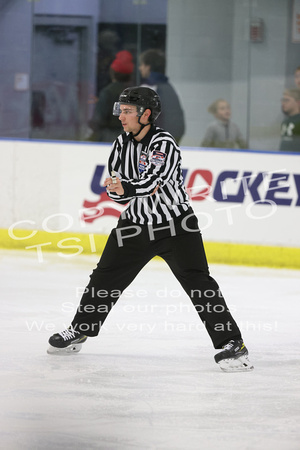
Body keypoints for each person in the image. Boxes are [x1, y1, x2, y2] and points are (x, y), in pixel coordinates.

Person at [47, 86, 253, 372]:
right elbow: (120, 189)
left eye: (128, 111)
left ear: (146, 114)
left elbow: (152, 182)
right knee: (104, 278)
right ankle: (79, 330)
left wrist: (126, 187)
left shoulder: (165, 143)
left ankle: (232, 344)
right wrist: (117, 190)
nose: (121, 116)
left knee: (199, 284)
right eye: (121, 110)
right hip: (135, 225)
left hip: (176, 225)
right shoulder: (121, 144)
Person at [139, 49, 185, 144]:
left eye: (142, 65)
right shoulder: (172, 89)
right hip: (170, 142)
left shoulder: (147, 89)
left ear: (148, 67)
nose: (140, 68)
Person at [88, 50, 134, 142]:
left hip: (108, 140)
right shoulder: (135, 92)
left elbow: (98, 121)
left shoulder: (108, 92)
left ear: (112, 72)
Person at [279, 88, 300, 152]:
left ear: (298, 102)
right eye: (282, 100)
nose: (283, 103)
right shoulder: (285, 122)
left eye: (286, 100)